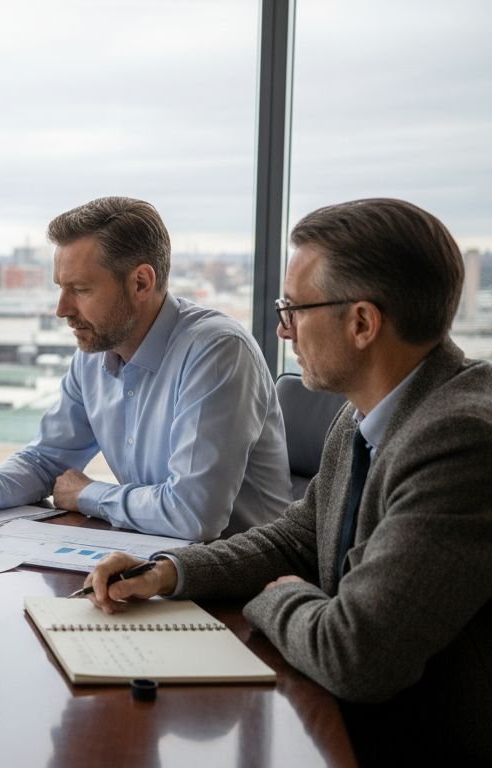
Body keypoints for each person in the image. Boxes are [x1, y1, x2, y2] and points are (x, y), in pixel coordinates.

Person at [84, 198, 492, 762]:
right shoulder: (361, 414)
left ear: (362, 323)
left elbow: (357, 655)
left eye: (294, 309)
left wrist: (281, 597)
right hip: (335, 716)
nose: (282, 330)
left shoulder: (460, 441)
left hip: (405, 740)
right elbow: (294, 539)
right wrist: (166, 572)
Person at [0, 196, 291, 541]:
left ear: (141, 282)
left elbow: (194, 515)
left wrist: (87, 494)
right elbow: (46, 461)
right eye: (60, 287)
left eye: (81, 289)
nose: (62, 309)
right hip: (152, 563)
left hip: (242, 588)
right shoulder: (94, 353)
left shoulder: (217, 351)